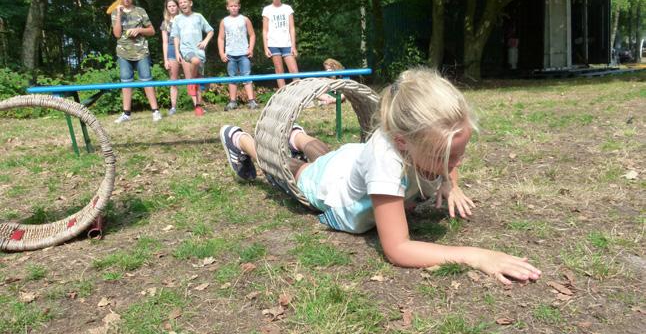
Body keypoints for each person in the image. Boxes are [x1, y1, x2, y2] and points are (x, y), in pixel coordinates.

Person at [219, 68, 542, 285]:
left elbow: (449, 159)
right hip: (332, 185)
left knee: (332, 154)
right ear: (402, 142)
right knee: (293, 168)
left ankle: (299, 137)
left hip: (351, 161)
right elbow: (398, 248)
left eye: (459, 154)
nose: (454, 163)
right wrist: (477, 255)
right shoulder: (385, 161)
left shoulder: (431, 140)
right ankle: (242, 140)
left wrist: (450, 184)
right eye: (444, 159)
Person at [110, 0, 162, 123]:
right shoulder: (115, 12)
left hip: (141, 52)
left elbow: (152, 30)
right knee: (126, 82)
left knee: (147, 80)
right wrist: (119, 15)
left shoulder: (140, 11)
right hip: (123, 53)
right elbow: (116, 34)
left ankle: (155, 111)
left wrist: (139, 30)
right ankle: (126, 113)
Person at [171, 0, 214, 116]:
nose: (183, 4)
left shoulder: (198, 17)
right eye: (180, 3)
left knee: (198, 80)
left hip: (199, 51)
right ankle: (191, 83)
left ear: (191, 3)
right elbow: (175, 37)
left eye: (185, 2)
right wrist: (177, 52)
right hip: (186, 50)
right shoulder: (177, 19)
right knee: (195, 62)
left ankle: (198, 106)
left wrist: (205, 41)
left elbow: (210, 31)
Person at [217, 0, 258, 111]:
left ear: (239, 6)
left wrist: (250, 49)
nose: (234, 8)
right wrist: (221, 53)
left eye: (236, 6)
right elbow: (220, 38)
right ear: (227, 7)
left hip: (244, 54)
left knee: (247, 77)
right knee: (232, 78)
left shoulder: (244, 19)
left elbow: (252, 35)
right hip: (230, 55)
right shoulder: (224, 21)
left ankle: (251, 101)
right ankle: (233, 101)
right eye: (231, 6)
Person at [262, 0, 299, 88]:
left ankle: (300, 95)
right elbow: (265, 30)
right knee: (279, 71)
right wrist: (265, 47)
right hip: (273, 44)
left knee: (294, 70)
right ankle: (282, 95)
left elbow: (292, 28)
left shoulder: (287, 8)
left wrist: (293, 46)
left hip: (287, 43)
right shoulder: (267, 10)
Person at [160, 0, 180, 115]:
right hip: (171, 51)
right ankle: (173, 107)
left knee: (192, 79)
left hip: (185, 50)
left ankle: (196, 104)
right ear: (167, 9)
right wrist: (165, 59)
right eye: (169, 6)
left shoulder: (184, 19)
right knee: (173, 80)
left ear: (177, 6)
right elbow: (165, 42)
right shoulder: (165, 23)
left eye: (174, 5)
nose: (172, 8)